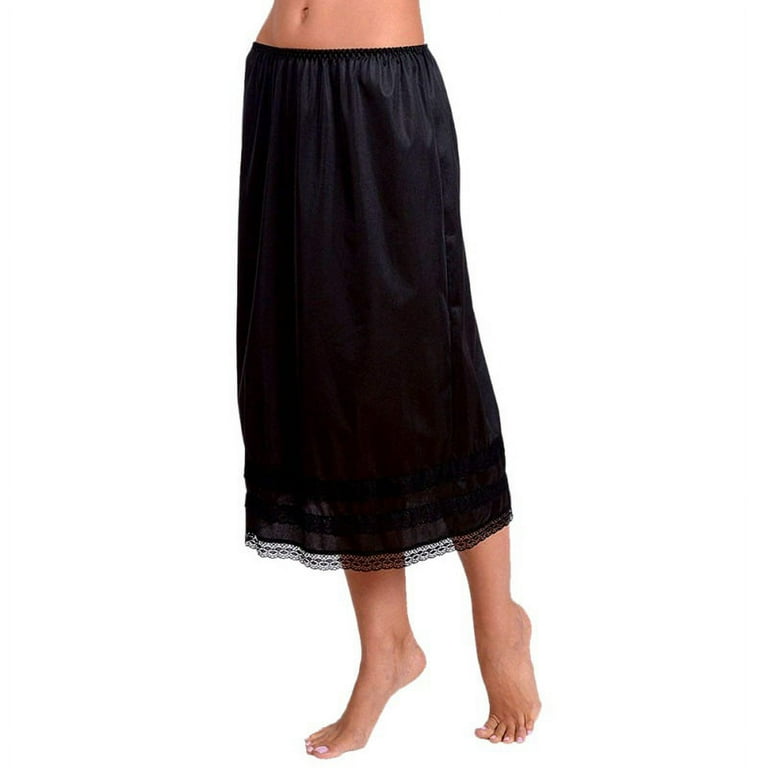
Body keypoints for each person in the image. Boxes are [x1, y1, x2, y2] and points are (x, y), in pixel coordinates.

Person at [237, 0, 542, 758]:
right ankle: (388, 647)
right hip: (279, 83)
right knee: (325, 375)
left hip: (378, 90)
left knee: (419, 365)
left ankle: (497, 623)